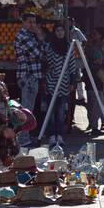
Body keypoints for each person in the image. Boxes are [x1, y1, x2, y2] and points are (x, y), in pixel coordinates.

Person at [40, 22, 76, 150]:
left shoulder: (68, 46)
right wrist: (45, 75)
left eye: (62, 30)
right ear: (54, 33)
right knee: (50, 111)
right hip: (51, 81)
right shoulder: (49, 47)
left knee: (61, 111)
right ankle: (51, 135)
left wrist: (72, 82)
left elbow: (72, 65)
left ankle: (59, 135)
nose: (60, 33)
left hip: (64, 82)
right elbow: (43, 61)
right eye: (57, 31)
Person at [13, 12, 45, 147]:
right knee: (27, 109)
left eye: (34, 22)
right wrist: (40, 38)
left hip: (30, 75)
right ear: (23, 22)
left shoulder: (28, 36)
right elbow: (39, 54)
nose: (33, 25)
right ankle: (23, 140)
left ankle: (23, 137)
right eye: (30, 22)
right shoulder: (24, 36)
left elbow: (38, 54)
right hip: (28, 76)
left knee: (28, 108)